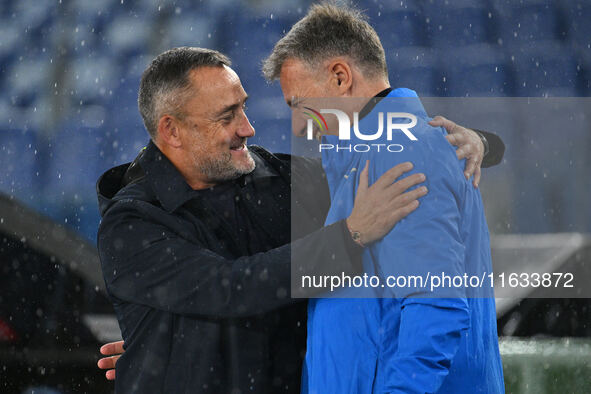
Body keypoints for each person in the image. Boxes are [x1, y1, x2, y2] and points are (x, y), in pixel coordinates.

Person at [95, 48, 504, 393]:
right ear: (172, 131)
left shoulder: (277, 178)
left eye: (244, 107)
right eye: (226, 116)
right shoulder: (130, 224)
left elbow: (380, 159)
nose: (248, 128)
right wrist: (350, 235)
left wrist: (479, 142)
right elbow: (232, 288)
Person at [262, 3, 504, 393]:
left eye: (298, 104)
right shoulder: (375, 153)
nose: (296, 125)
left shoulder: (399, 152)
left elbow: (436, 305)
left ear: (340, 77)